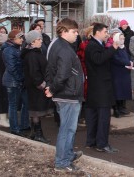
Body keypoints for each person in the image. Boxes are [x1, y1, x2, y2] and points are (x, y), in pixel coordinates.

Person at [45, 18, 84, 172]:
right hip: (68, 95)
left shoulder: (58, 45)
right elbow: (62, 74)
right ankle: (62, 162)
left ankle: (67, 154)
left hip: (66, 94)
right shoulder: (64, 49)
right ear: (64, 31)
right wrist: (52, 89)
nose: (76, 34)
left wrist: (51, 87)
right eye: (74, 31)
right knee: (67, 129)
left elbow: (50, 68)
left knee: (68, 128)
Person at [85, 23, 119, 153]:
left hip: (98, 86)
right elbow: (99, 59)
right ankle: (102, 144)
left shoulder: (97, 45)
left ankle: (92, 141)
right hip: (100, 87)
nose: (107, 34)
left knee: (94, 115)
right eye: (105, 31)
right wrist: (113, 48)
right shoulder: (93, 46)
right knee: (103, 117)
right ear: (98, 32)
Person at [21, 30, 53, 144]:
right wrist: (42, 84)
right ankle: (38, 134)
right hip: (35, 88)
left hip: (34, 87)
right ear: (32, 42)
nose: (41, 41)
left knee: (35, 111)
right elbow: (34, 72)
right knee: (36, 111)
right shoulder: (32, 54)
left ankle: (35, 133)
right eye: (38, 39)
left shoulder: (34, 52)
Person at [2, 29, 30, 136]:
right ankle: (14, 128)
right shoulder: (9, 50)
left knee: (25, 103)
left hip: (18, 80)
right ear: (13, 39)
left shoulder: (16, 48)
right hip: (12, 81)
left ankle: (24, 125)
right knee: (13, 105)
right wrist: (20, 79)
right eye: (20, 37)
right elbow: (12, 68)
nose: (22, 39)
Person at [110, 32, 133, 117]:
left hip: (125, 72)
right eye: (120, 38)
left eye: (123, 39)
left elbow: (128, 57)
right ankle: (116, 109)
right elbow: (116, 59)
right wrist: (127, 62)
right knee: (117, 91)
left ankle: (121, 107)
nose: (122, 40)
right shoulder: (114, 48)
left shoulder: (124, 48)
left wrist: (131, 62)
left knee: (123, 90)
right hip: (117, 72)